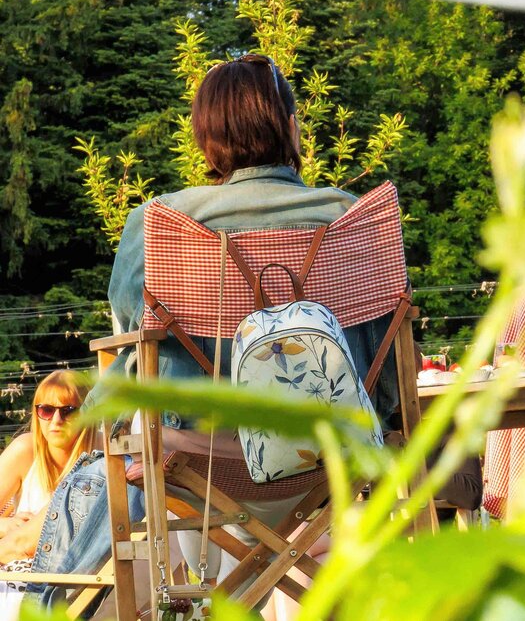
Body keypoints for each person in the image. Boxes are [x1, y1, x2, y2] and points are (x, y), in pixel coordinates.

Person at [22, 54, 400, 614]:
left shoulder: (162, 224)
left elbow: (130, 340)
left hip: (194, 462)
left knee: (123, 420)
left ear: (205, 141)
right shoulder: (356, 218)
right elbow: (387, 361)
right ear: (293, 128)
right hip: (336, 457)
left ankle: (56, 602)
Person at [0, 371, 96, 620]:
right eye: (46, 410)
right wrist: (6, 523)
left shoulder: (99, 460)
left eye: (68, 410)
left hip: (75, 576)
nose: (56, 420)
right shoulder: (26, 450)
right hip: (17, 576)